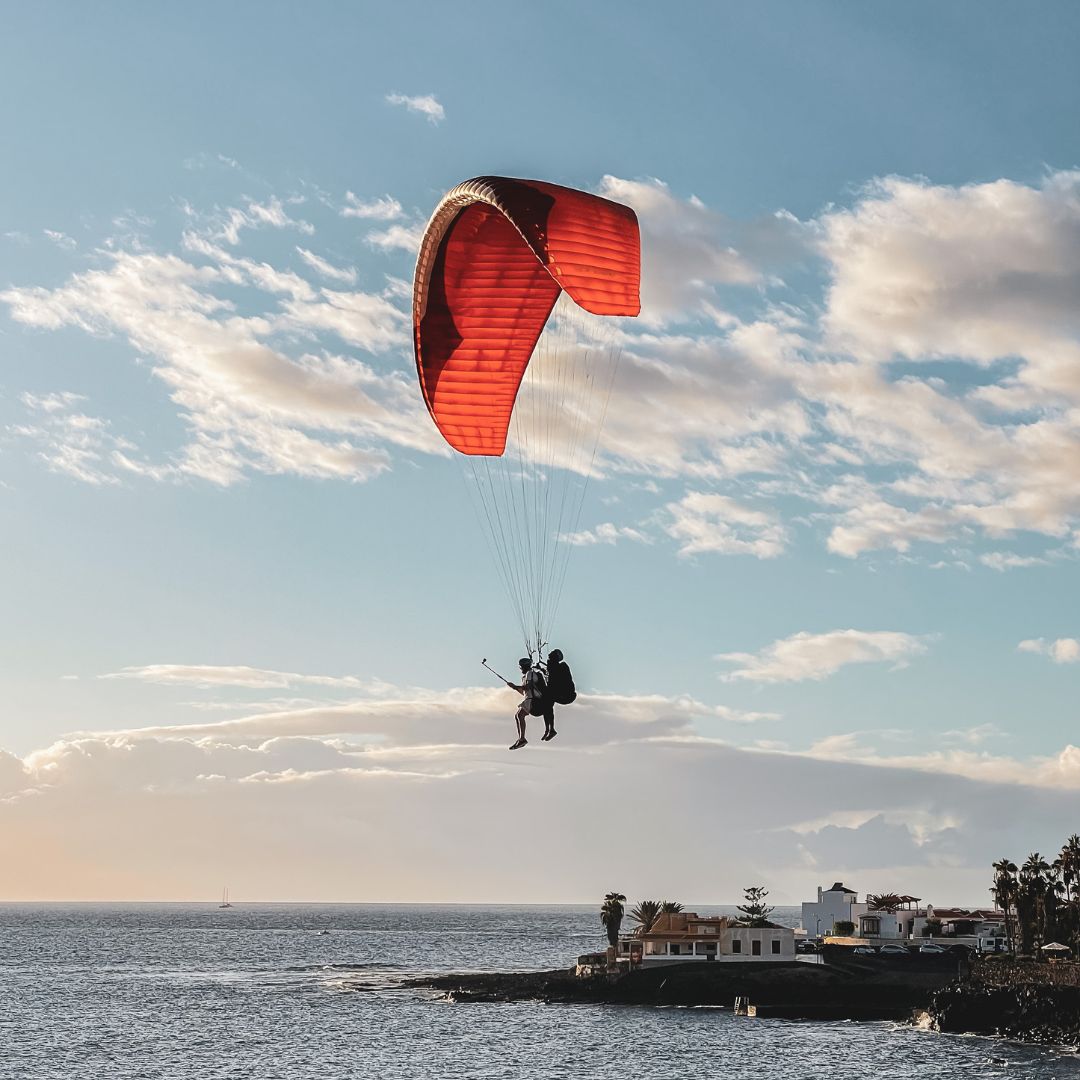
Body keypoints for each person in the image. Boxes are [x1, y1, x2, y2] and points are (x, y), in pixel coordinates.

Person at [505, 657, 546, 750]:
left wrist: (516, 686)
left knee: (519, 715)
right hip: (529, 698)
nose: (520, 670)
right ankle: (521, 738)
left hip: (532, 699)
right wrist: (515, 688)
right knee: (518, 716)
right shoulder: (526, 676)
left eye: (521, 668)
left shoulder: (529, 673)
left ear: (523, 667)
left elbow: (529, 686)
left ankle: (522, 738)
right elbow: (524, 692)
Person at [540, 648, 576, 742]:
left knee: (547, 698)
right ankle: (549, 729)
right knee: (546, 702)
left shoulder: (562, 667)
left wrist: (545, 670)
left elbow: (554, 679)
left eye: (552, 654)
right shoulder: (554, 667)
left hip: (567, 695)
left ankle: (550, 729)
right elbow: (552, 677)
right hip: (561, 693)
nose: (549, 655)